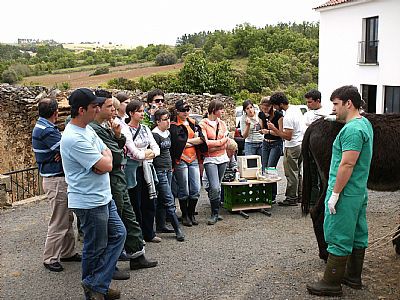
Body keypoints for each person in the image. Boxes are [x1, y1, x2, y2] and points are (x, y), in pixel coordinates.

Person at [307, 85, 373, 297]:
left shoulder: (352, 131)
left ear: (348, 103)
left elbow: (347, 165)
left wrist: (334, 195)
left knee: (338, 234)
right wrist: (332, 120)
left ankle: (332, 282)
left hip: (345, 192)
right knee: (358, 232)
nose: (333, 109)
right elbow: (348, 121)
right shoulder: (363, 123)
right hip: (358, 192)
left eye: (335, 104)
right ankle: (353, 276)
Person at [60, 88, 126, 300]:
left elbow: (107, 155)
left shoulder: (88, 130)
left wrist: (103, 159)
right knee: (94, 247)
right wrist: (103, 160)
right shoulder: (73, 138)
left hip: (103, 197)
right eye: (94, 106)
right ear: (81, 110)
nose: (98, 109)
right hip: (89, 201)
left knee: (118, 234)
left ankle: (96, 283)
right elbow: (106, 164)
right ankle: (95, 290)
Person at [90, 90, 157, 274]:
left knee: (129, 217)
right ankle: (110, 266)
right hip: (110, 181)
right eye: (110, 106)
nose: (115, 109)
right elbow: (119, 157)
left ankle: (137, 256)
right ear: (97, 108)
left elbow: (119, 150)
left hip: (119, 179)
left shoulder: (106, 126)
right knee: (114, 223)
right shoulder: (94, 129)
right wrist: (119, 146)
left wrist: (118, 137)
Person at [32, 98, 79, 273]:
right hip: (56, 180)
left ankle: (67, 252)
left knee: (67, 218)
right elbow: (68, 150)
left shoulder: (44, 127)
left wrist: (62, 152)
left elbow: (63, 150)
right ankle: (50, 258)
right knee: (59, 220)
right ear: (55, 113)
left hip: (57, 179)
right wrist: (63, 152)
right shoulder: (47, 130)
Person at [122, 100, 161, 243]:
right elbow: (134, 152)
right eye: (139, 111)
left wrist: (146, 154)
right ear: (131, 113)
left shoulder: (145, 128)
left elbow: (156, 149)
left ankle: (149, 233)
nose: (142, 113)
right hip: (133, 170)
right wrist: (147, 153)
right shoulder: (125, 129)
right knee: (135, 203)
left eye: (143, 111)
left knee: (149, 201)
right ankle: (137, 236)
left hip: (146, 169)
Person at [169, 99, 206, 227]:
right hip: (182, 160)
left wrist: (187, 142)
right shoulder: (173, 125)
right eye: (183, 110)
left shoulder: (193, 123)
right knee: (183, 188)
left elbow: (201, 139)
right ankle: (185, 215)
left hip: (194, 158)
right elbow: (177, 143)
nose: (186, 112)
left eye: (187, 109)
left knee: (195, 188)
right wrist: (192, 140)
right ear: (177, 111)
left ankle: (191, 213)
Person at [152, 108, 185, 241]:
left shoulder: (167, 133)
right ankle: (177, 229)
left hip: (168, 168)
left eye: (168, 119)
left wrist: (171, 166)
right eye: (165, 120)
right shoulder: (155, 134)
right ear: (158, 121)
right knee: (168, 198)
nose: (168, 122)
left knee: (162, 199)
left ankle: (160, 225)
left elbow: (169, 151)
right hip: (159, 169)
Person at [268, 92, 305, 206]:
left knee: (290, 173)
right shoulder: (296, 109)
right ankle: (300, 195)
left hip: (292, 146)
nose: (274, 108)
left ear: (280, 104)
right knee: (298, 171)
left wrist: (274, 129)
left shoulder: (288, 116)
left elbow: (287, 136)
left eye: (274, 105)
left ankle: (291, 198)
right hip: (301, 143)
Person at [199, 99, 229, 225]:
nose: (223, 111)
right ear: (213, 110)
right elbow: (206, 143)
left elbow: (227, 139)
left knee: (218, 185)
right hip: (210, 158)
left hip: (223, 157)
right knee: (215, 187)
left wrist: (217, 144)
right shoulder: (203, 124)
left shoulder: (222, 123)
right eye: (220, 109)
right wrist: (221, 143)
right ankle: (214, 214)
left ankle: (216, 212)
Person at [258, 96, 284, 204]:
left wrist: (269, 131)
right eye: (263, 108)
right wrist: (260, 129)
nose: (265, 109)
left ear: (271, 106)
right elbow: (261, 129)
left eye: (267, 107)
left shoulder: (278, 115)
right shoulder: (260, 114)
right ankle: (265, 193)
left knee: (271, 169)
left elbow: (280, 133)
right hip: (265, 143)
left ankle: (272, 195)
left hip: (276, 144)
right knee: (264, 168)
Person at [303, 89, 324, 206]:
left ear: (318, 101)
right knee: (312, 173)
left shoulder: (326, 113)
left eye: (310, 102)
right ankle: (313, 199)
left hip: (322, 148)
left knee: (322, 174)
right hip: (310, 147)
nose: (308, 105)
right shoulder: (307, 115)